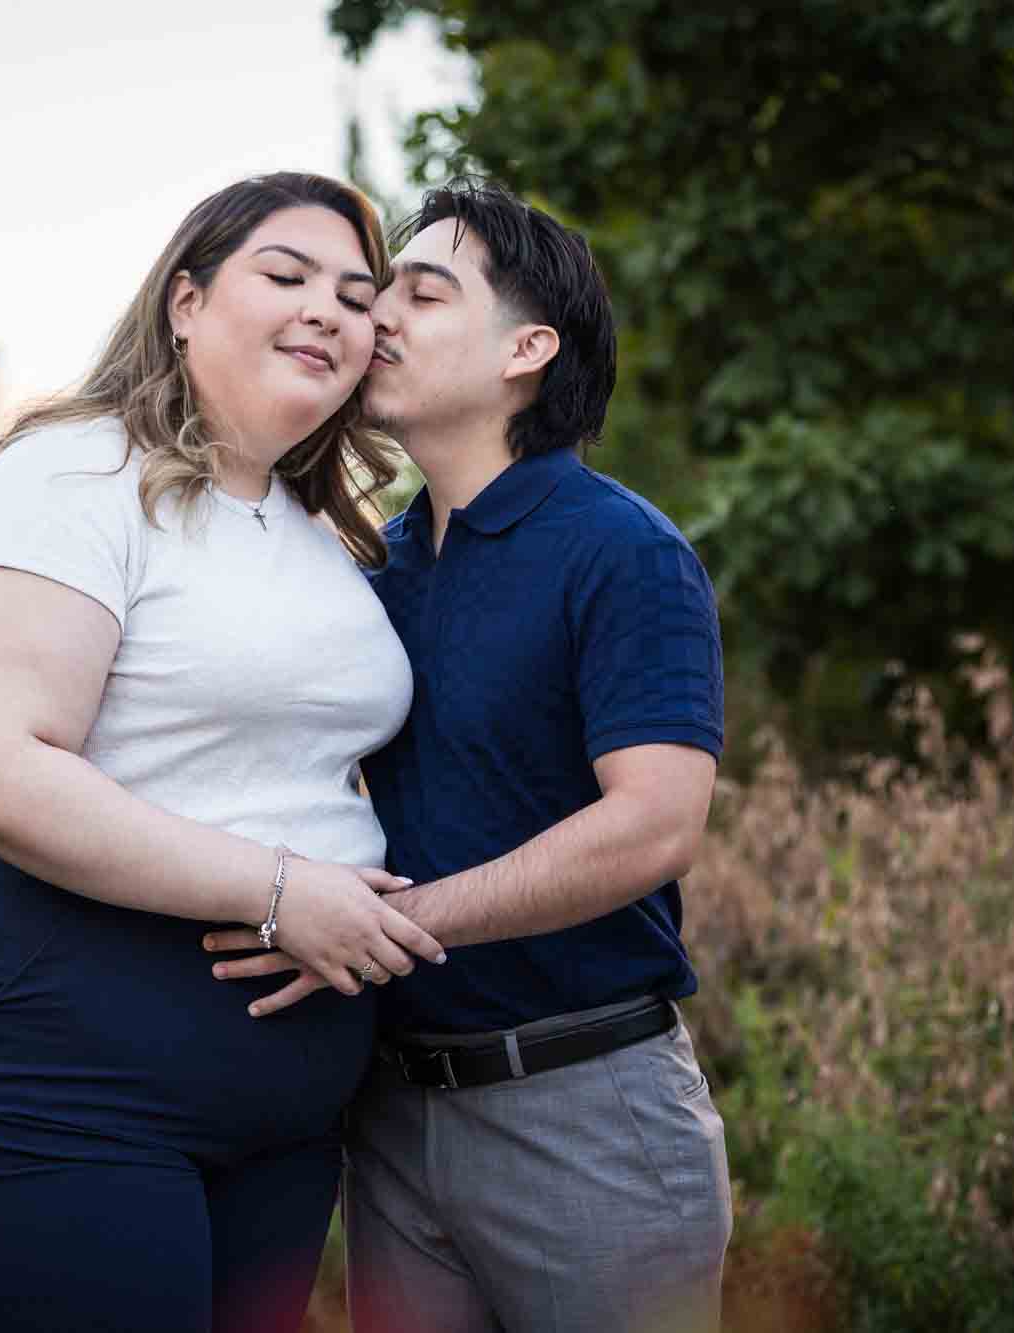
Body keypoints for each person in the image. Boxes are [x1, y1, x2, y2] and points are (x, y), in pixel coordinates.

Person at [0, 171, 448, 1333]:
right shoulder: (76, 473)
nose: (326, 309)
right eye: (283, 277)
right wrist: (281, 892)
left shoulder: (321, 534)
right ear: (183, 303)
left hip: (279, 1110)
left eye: (353, 292)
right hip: (53, 1065)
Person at [205, 179, 732, 1332]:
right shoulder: (369, 567)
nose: (373, 314)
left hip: (583, 1112)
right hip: (387, 1114)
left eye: (420, 290)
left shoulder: (620, 551)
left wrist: (392, 927)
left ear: (525, 349)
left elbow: (652, 822)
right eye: (377, 287)